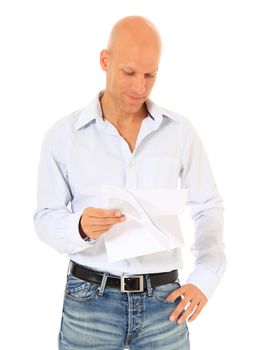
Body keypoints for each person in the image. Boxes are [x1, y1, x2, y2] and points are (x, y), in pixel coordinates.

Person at [34, 16, 226, 350]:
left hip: (165, 304)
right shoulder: (62, 135)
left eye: (150, 75)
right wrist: (79, 226)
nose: (140, 86)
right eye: (129, 72)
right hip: (89, 302)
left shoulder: (179, 132)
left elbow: (208, 205)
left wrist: (205, 278)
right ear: (105, 61)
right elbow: (45, 216)